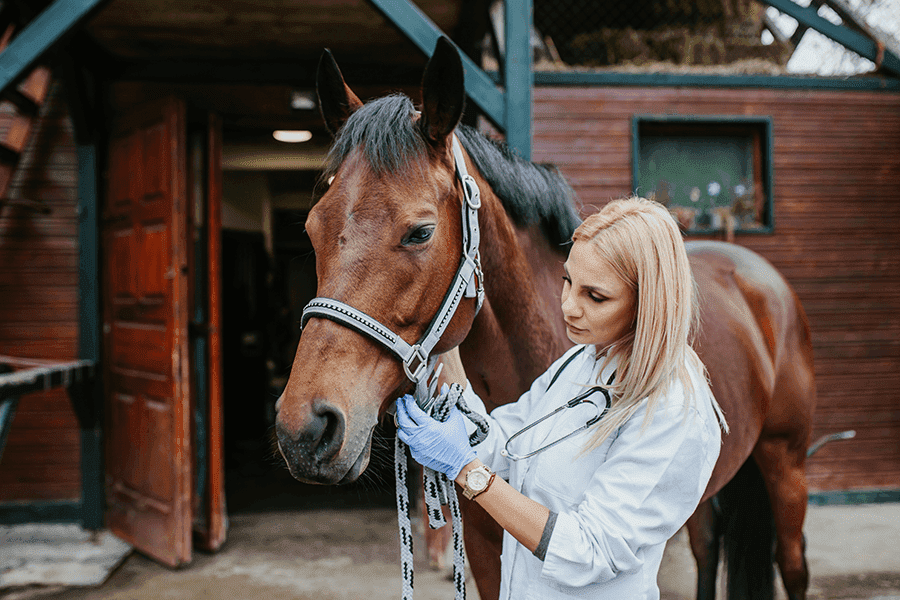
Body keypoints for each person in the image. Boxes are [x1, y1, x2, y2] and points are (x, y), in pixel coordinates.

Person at [395, 196, 728, 600]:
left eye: (596, 297)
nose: (568, 306)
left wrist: (467, 471)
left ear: (649, 303)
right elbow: (507, 445)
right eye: (568, 280)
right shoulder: (582, 360)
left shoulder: (674, 411)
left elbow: (588, 553)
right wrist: (455, 416)